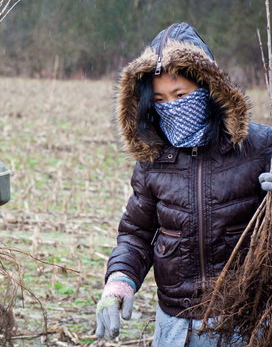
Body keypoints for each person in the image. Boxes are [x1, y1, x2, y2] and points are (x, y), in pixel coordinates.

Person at [95, 22, 272, 346]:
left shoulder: (259, 146)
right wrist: (120, 279)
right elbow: (137, 233)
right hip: (177, 324)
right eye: (161, 99)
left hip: (246, 322)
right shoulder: (153, 160)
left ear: (208, 88)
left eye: (181, 95)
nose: (172, 107)